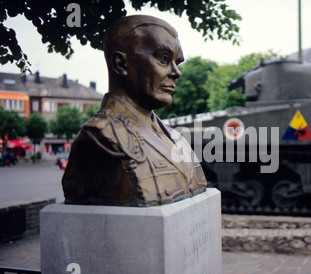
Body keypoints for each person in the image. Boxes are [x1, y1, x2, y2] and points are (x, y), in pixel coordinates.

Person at [62, 15, 207, 206]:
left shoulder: (175, 137)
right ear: (121, 64)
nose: (176, 72)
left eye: (177, 62)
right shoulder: (100, 137)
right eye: (164, 59)